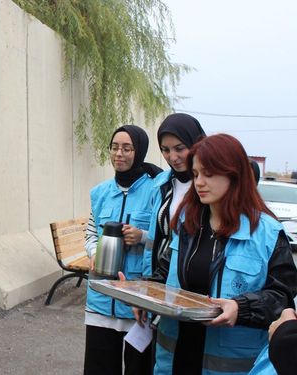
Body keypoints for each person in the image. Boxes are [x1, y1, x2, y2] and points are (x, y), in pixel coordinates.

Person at [142, 134, 297, 374]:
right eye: (195, 175)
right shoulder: (187, 223)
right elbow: (165, 273)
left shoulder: (267, 233)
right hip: (174, 358)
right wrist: (141, 292)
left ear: (234, 175)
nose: (199, 182)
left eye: (209, 174)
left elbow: (283, 298)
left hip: (230, 365)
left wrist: (241, 307)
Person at [83, 125, 161, 375]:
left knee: (139, 370)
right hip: (101, 299)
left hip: (138, 300)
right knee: (99, 368)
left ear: (138, 152)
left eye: (127, 148)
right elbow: (91, 232)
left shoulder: (156, 191)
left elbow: (166, 238)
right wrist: (94, 253)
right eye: (115, 147)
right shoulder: (101, 192)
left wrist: (142, 236)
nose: (120, 154)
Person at [144, 113, 205, 277]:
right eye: (165, 150)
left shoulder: (207, 187)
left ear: (196, 144)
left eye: (180, 148)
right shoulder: (161, 183)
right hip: (157, 274)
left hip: (190, 279)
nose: (173, 157)